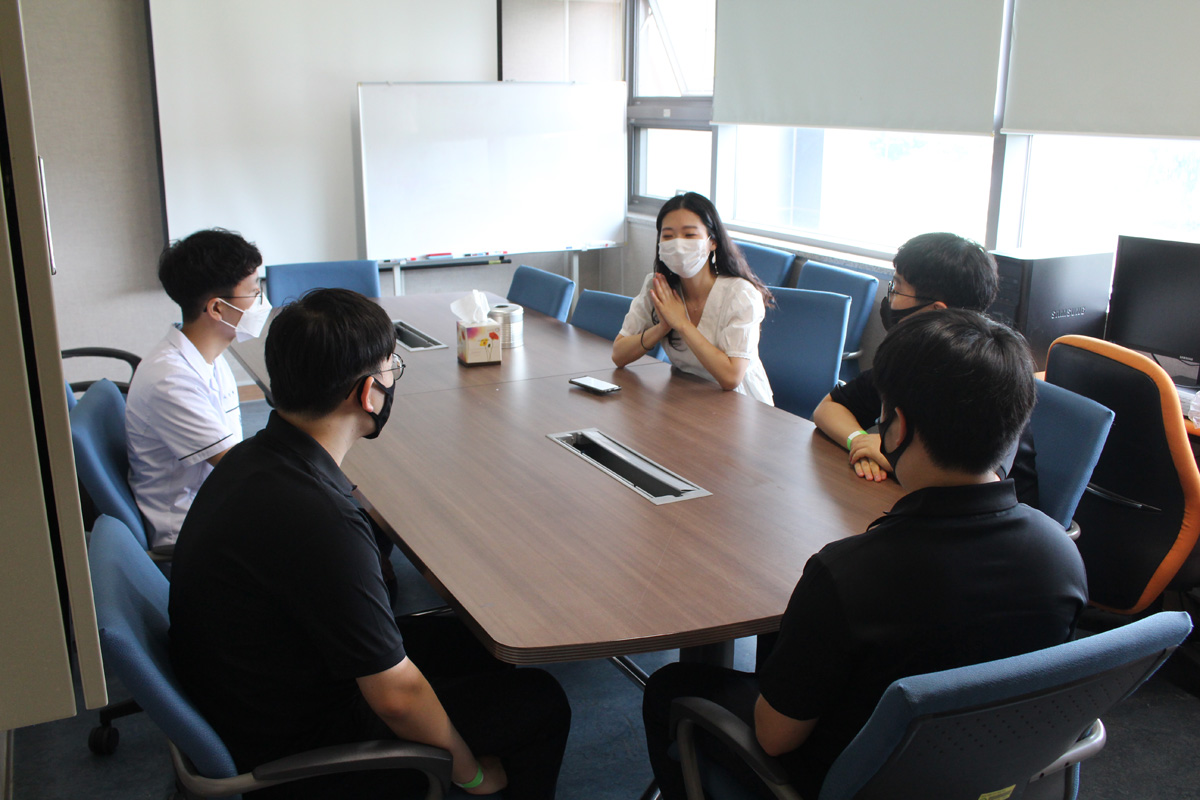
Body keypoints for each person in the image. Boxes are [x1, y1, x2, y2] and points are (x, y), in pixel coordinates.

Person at [642, 308, 1088, 800]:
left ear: (896, 427)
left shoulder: (847, 574)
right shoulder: (1062, 558)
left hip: (853, 782)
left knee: (671, 688)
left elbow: (774, 736)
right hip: (988, 776)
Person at [168, 289, 571, 799]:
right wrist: (469, 773)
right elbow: (397, 698)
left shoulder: (256, 457)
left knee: (475, 646)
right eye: (390, 369)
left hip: (262, 684)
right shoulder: (320, 520)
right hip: (302, 751)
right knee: (540, 702)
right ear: (367, 393)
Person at [811, 232, 1036, 503]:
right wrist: (858, 440)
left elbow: (979, 481)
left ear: (935, 310)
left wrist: (889, 455)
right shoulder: (911, 359)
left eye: (897, 289)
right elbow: (829, 408)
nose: (890, 298)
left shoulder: (993, 375)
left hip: (988, 520)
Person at [125, 228, 270, 552]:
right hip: (195, 534)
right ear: (217, 308)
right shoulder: (171, 380)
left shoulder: (207, 355)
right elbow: (241, 469)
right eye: (253, 292)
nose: (261, 301)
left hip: (221, 501)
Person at [612, 192, 775, 405]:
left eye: (689, 235)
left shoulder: (740, 294)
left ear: (712, 242)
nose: (678, 245)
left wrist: (681, 323)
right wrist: (662, 327)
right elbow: (619, 355)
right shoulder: (658, 286)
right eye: (668, 236)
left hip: (742, 403)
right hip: (690, 398)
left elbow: (731, 377)